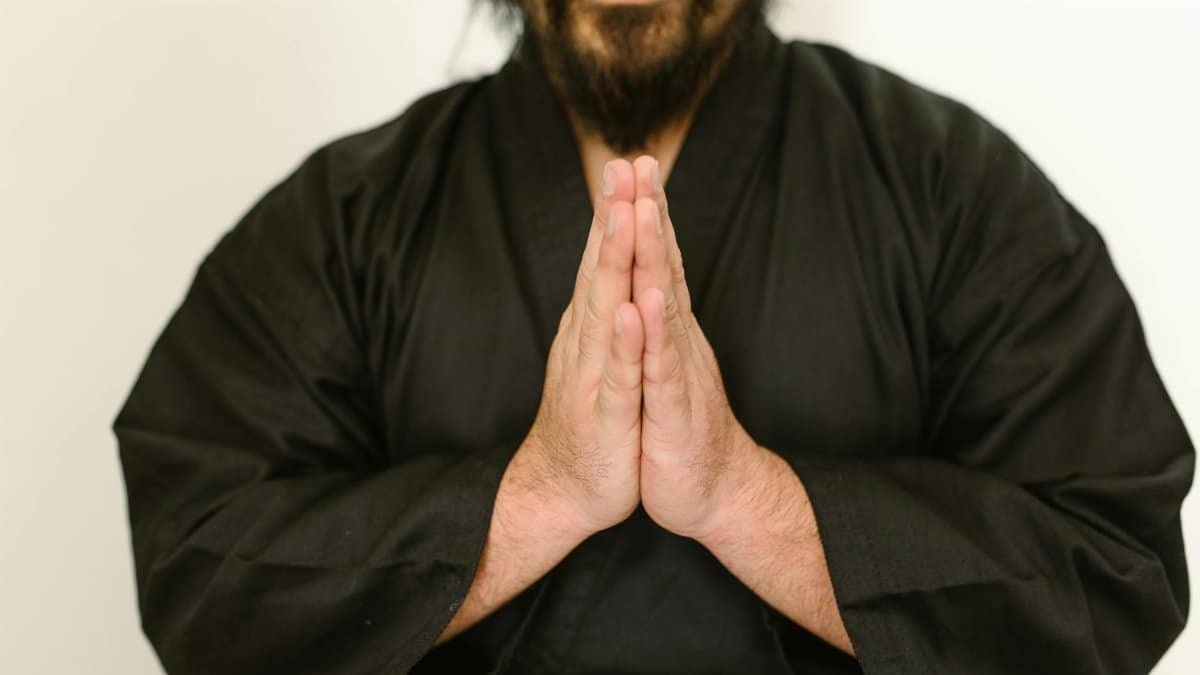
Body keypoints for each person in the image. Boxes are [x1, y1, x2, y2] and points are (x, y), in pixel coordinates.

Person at [113, 1, 1195, 673]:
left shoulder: (948, 187)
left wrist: (742, 497)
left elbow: (1116, 560)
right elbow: (196, 556)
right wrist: (536, 494)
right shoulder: (350, 217)